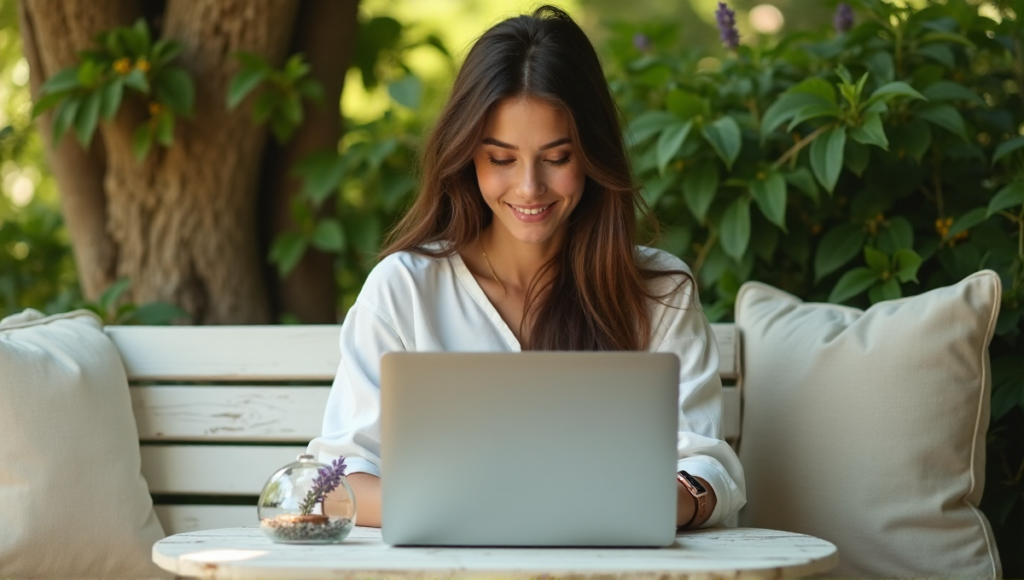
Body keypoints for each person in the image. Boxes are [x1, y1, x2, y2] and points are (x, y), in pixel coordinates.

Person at [307, 5, 746, 530]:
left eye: (557, 158)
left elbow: (704, 466)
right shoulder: (405, 289)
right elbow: (335, 483)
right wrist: (500, 508)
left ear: (592, 154)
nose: (529, 188)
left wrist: (659, 502)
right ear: (468, 156)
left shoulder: (658, 293)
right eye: (501, 159)